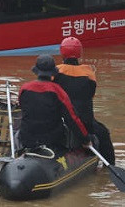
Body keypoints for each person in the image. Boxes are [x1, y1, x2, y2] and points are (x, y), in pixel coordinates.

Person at [55, 36, 115, 164]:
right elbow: (90, 95)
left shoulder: (55, 71)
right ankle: (109, 164)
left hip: (59, 119)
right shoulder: (89, 73)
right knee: (103, 133)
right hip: (84, 121)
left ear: (62, 52)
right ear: (79, 53)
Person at [17, 54, 89, 154]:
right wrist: (85, 139)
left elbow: (22, 108)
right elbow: (72, 119)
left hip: (27, 138)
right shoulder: (58, 91)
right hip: (52, 140)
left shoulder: (24, 88)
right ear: (52, 72)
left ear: (36, 71)